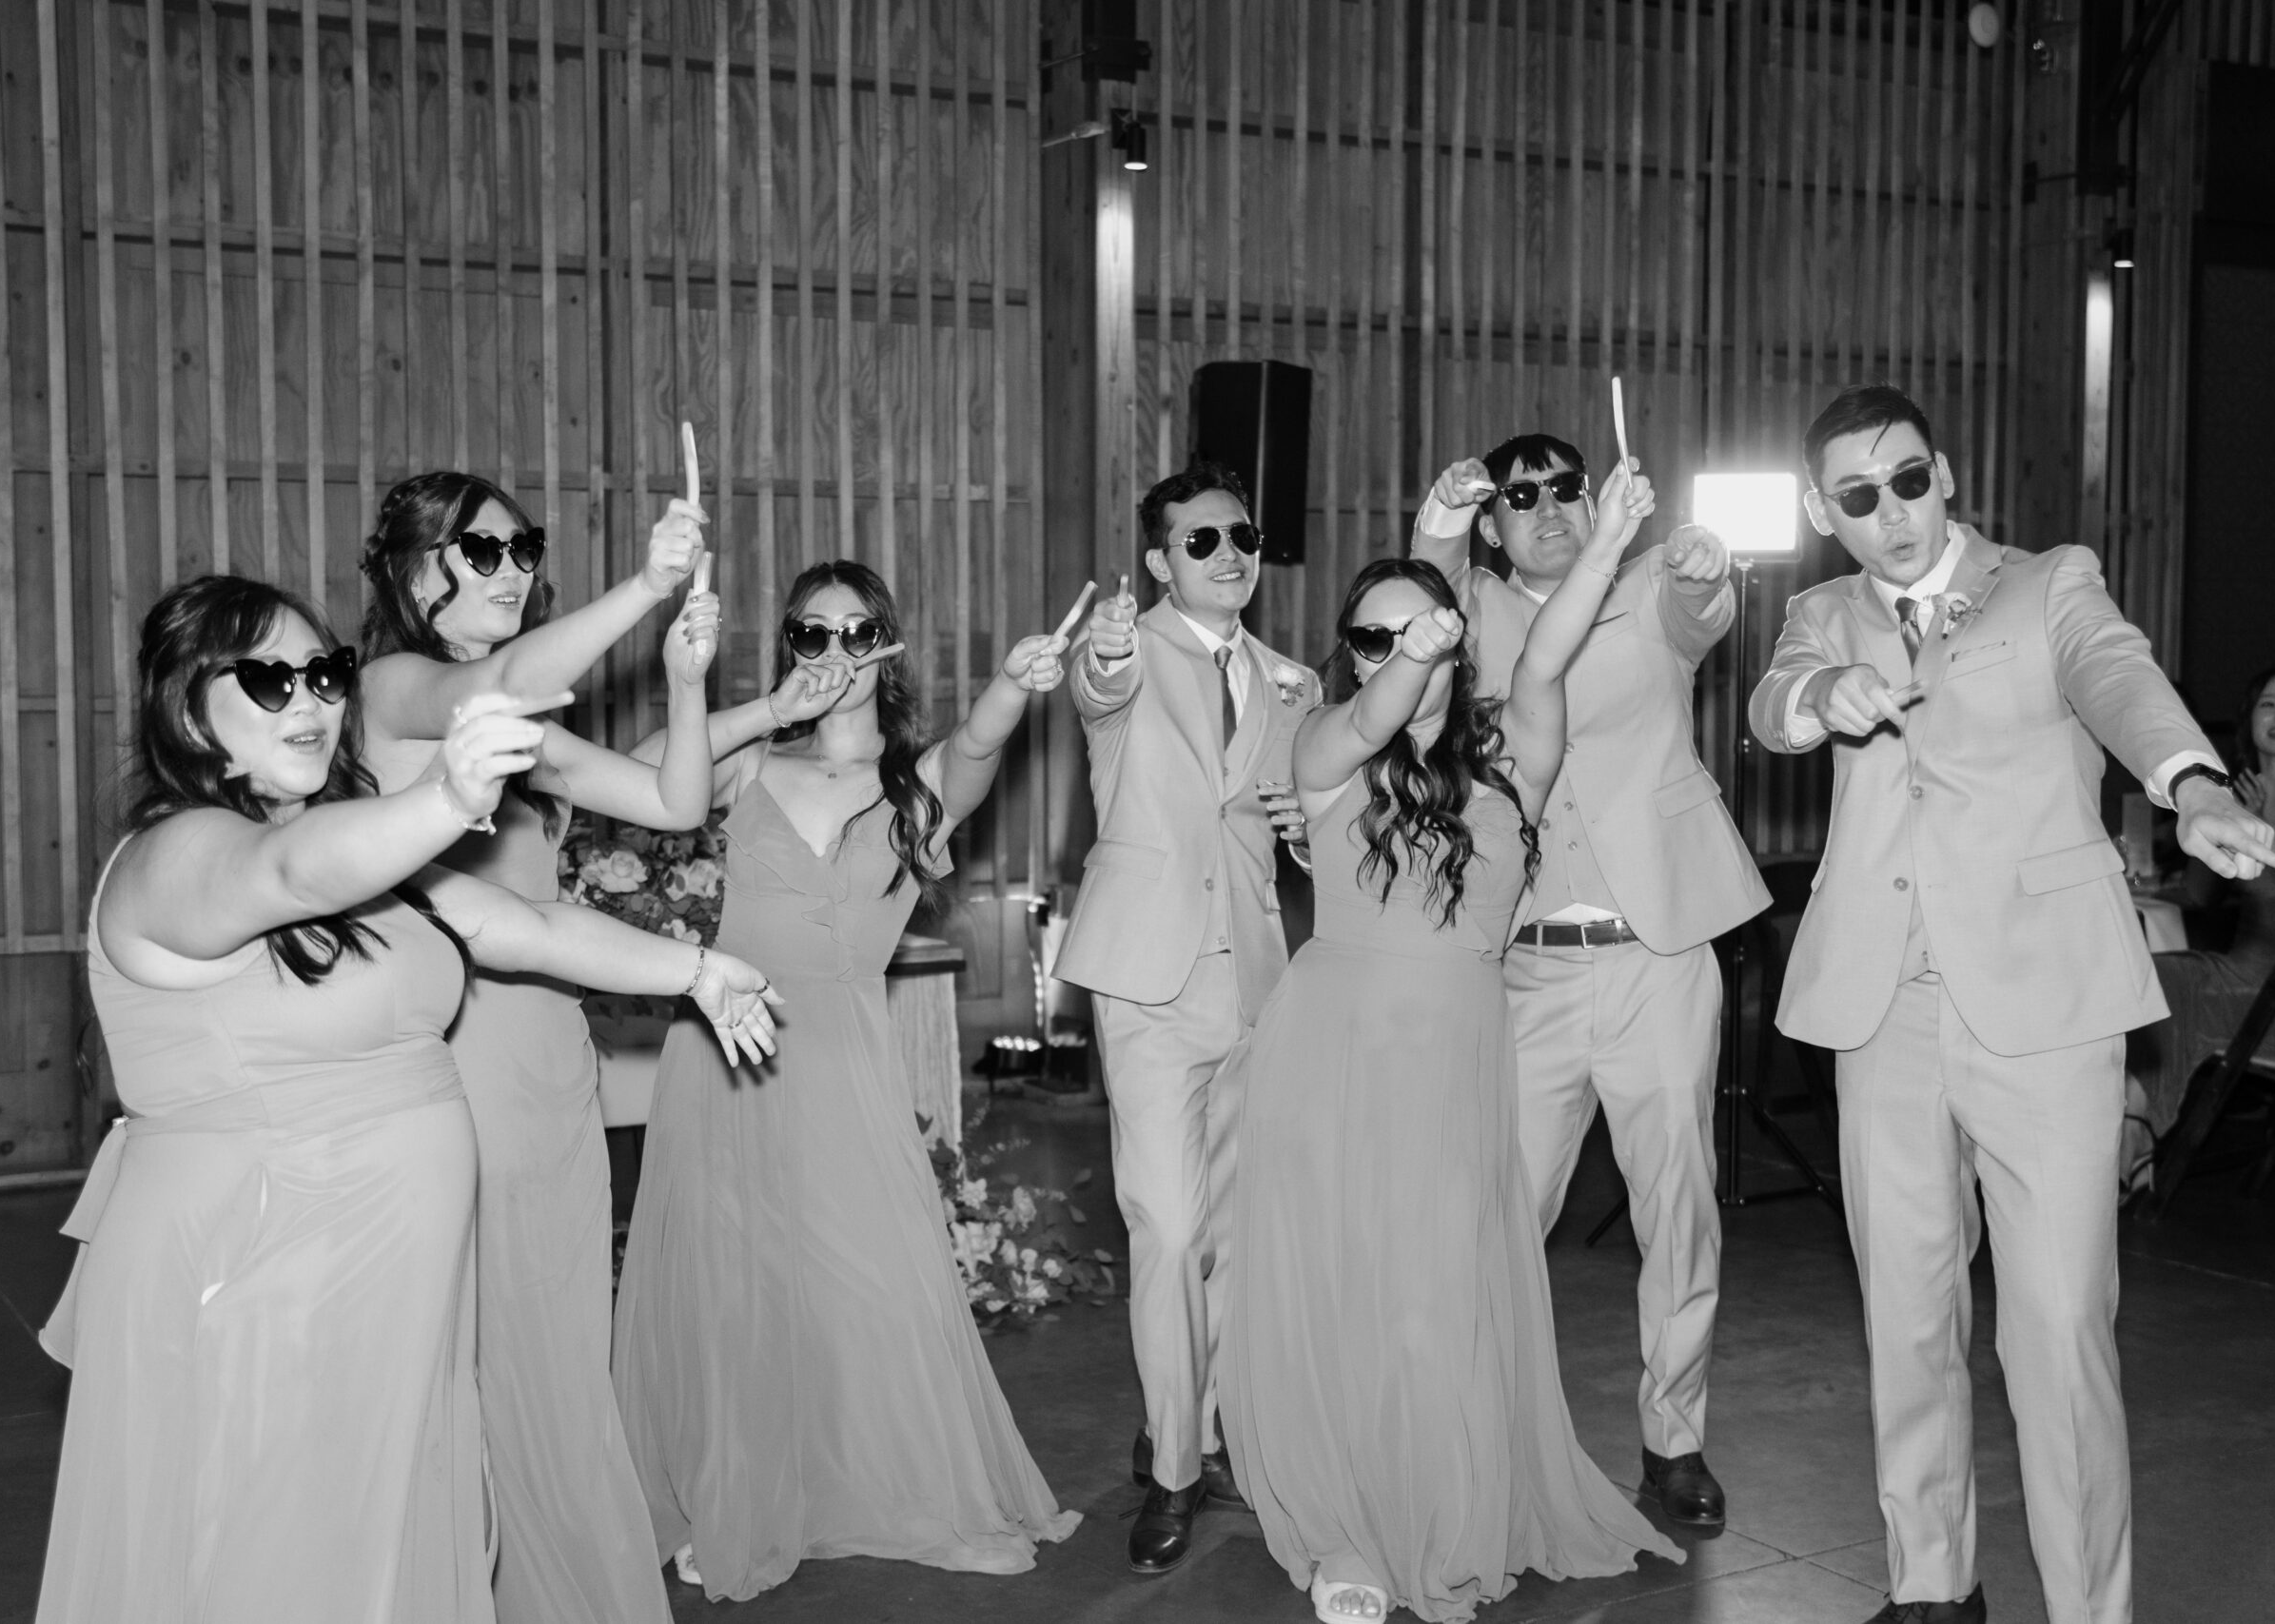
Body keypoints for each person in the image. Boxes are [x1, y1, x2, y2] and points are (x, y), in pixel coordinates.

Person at [35, 575, 778, 1624]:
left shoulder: (361, 855)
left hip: (392, 1291)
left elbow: (520, 929)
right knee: (275, 1552)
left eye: (324, 673)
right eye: (268, 678)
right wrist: (443, 801)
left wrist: (696, 972)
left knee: (382, 1548)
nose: (311, 700)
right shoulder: (178, 853)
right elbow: (288, 873)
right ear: (190, 708)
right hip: (261, 1277)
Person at [1747, 384, 2275, 1624]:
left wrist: (2192, 780)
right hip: (1881, 1004)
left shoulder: (2047, 583)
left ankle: (2092, 1608)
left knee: (2054, 1335)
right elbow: (1777, 702)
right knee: (1907, 1316)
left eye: (1911, 479)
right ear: (1828, 512)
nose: (1894, 511)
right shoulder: (1822, 612)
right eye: (1860, 494)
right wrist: (1817, 698)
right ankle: (1932, 1587)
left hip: (2045, 1001)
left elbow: (2118, 674)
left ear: (1946, 473)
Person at [1221, 479, 1681, 1624]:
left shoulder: (1515, 753)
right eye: (1367, 638)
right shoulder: (1316, 745)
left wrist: (1612, 539)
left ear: (1461, 641)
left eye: (1414, 630)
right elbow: (1371, 720)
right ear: (1351, 654)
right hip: (1330, 1055)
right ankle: (1343, 1533)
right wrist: (1411, 656)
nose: (1391, 654)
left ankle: (1431, 1505)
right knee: (1343, 1293)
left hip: (1461, 1057)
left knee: (1436, 1298)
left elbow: (1548, 657)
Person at [611, 559, 1083, 1602]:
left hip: (843, 1060)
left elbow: (980, 745)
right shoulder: (744, 766)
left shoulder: (918, 792)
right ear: (790, 645)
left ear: (889, 644)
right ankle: (726, 1491)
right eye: (811, 633)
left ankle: (836, 1485)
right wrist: (760, 709)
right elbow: (641, 778)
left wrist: (1014, 681)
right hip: (723, 1052)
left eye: (855, 631)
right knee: (726, 1290)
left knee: (863, 1283)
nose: (834, 652)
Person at [356, 472, 715, 1624]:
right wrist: (647, 587)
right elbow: (500, 681)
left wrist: (686, 679)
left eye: (524, 552)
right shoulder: (396, 686)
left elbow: (674, 800)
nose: (511, 571)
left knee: (556, 1349)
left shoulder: (520, 731)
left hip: (546, 1048)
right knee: (468, 1352)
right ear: (416, 571)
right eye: (482, 552)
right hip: (452, 1050)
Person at [1410, 436, 1767, 1527]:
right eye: (1520, 497)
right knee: (1501, 1209)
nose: (1551, 509)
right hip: (1525, 968)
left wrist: (1704, 561)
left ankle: (1674, 1442)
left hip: (1657, 953)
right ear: (1491, 523)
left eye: (1568, 488)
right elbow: (1410, 604)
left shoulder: (1646, 581)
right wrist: (1435, 518)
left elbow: (1706, 601)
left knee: (1678, 1207)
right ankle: (1487, 1434)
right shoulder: (1464, 608)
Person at [1053, 460, 1320, 1575]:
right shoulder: (1119, 653)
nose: (1228, 555)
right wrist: (1107, 650)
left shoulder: (1294, 684)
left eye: (1242, 536)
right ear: (1160, 561)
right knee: (1163, 1226)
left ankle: (1199, 1430)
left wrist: (1311, 820)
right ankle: (1171, 1469)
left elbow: (1299, 825)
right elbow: (1096, 691)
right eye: (1199, 541)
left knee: (1227, 1238)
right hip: (1148, 980)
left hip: (1255, 981)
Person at [2124, 668, 2275, 1190]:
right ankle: (2131, 1141)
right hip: (2238, 972)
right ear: (2248, 721)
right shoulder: (2225, 795)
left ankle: (2133, 1150)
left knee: (2164, 984)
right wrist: (2224, 820)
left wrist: (2258, 827)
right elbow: (2202, 892)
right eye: (2267, 704)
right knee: (2146, 977)